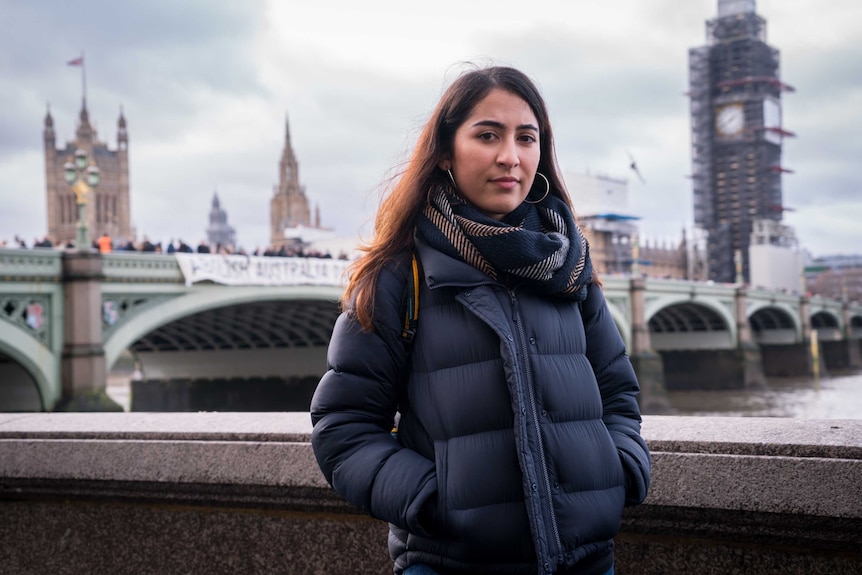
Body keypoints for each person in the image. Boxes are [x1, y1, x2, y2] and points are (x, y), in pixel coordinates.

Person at [310, 65, 650, 575]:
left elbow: (618, 397)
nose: (509, 156)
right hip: (452, 563)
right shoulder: (398, 276)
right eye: (487, 135)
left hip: (586, 560)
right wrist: (433, 501)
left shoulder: (569, 268)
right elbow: (344, 427)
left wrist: (619, 472)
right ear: (446, 150)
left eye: (526, 138)